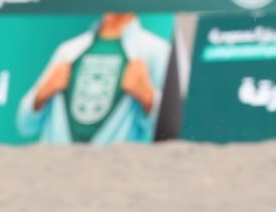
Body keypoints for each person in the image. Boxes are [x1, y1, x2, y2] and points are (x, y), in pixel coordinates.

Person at [16, 13, 170, 145]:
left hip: (114, 167)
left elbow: (168, 134)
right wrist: (43, 92)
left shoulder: (156, 50)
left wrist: (148, 97)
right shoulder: (68, 50)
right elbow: (24, 124)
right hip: (58, 165)